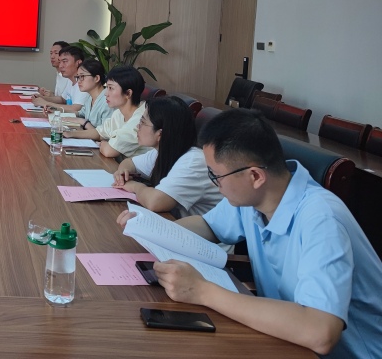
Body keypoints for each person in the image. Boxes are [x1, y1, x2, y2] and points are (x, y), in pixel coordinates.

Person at [117, 109, 382, 358]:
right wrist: (151, 227)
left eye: (216, 176)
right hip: (283, 338)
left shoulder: (321, 219)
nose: (215, 185)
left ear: (255, 176)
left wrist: (202, 291)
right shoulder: (254, 199)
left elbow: (320, 332)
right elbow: (208, 226)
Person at [112, 96, 223, 218]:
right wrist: (123, 172)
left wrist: (134, 186)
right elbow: (130, 162)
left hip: (200, 229)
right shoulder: (165, 150)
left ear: (160, 133)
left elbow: (155, 202)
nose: (137, 127)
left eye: (143, 122)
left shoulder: (193, 161)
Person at [64, 66, 149, 160]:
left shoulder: (141, 120)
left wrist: (104, 144)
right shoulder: (119, 113)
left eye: (111, 88)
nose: (105, 93)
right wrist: (70, 134)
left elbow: (109, 151)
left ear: (128, 93)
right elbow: (99, 133)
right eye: (107, 87)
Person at [32, 46, 89, 112]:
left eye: (65, 61)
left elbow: (75, 109)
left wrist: (46, 103)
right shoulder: (70, 80)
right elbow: (63, 99)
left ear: (78, 63)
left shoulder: (84, 83)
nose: (60, 66)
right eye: (60, 62)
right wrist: (43, 98)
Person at [62, 58, 113, 129]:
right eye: (78, 77)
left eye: (82, 76)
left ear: (96, 78)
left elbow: (103, 133)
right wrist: (57, 110)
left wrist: (83, 122)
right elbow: (80, 114)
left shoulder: (107, 100)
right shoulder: (90, 97)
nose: (79, 81)